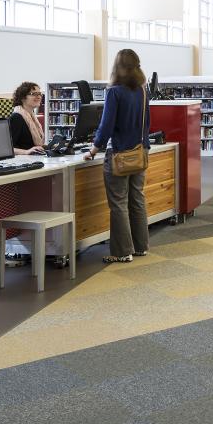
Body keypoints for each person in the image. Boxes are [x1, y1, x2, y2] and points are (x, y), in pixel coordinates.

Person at [84, 49, 150, 264]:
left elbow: (106, 126)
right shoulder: (142, 89)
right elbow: (146, 122)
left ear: (117, 66)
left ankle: (122, 251)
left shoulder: (114, 92)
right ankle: (141, 247)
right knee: (137, 199)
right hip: (140, 151)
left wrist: (94, 149)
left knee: (118, 203)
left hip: (119, 153)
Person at [10, 81, 46, 155]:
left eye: (39, 94)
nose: (39, 97)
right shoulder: (17, 118)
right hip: (22, 161)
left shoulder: (32, 117)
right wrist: (26, 152)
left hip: (33, 159)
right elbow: (8, 148)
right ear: (23, 97)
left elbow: (33, 146)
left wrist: (52, 146)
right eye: (34, 94)